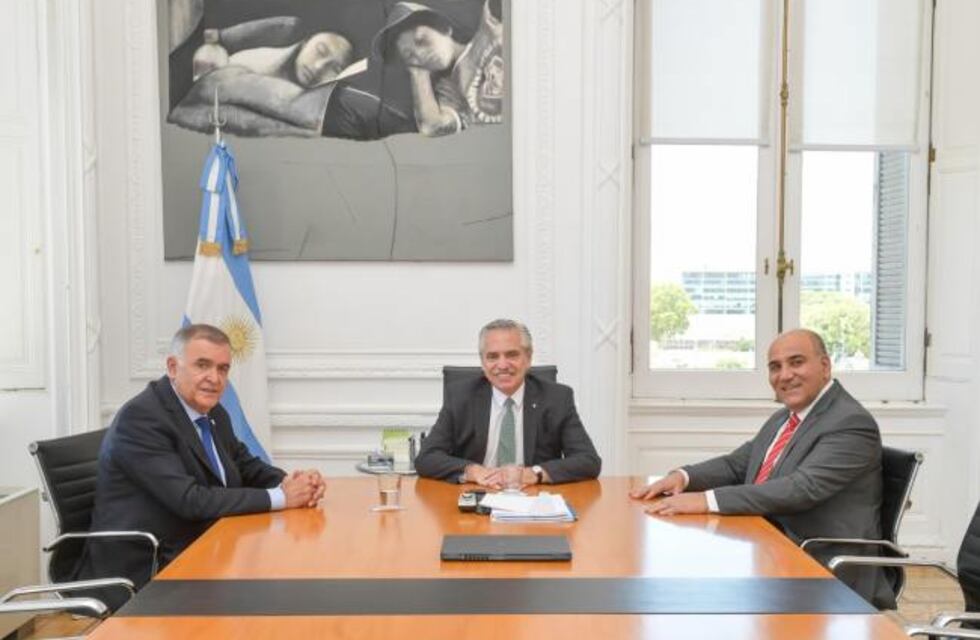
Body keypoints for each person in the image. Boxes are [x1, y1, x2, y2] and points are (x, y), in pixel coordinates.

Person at [630, 328, 892, 608]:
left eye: (796, 362)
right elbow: (737, 464)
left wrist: (705, 500)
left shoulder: (849, 422)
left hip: (823, 564)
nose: (785, 375)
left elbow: (801, 489)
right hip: (773, 546)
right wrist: (682, 477)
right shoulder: (787, 418)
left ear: (825, 366)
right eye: (775, 367)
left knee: (690, 585)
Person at [78, 324, 325, 608]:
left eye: (223, 369)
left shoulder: (212, 411)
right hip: (149, 565)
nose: (214, 378)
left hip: (203, 546)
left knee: (287, 583)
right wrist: (283, 497)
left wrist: (294, 482)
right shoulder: (142, 420)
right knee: (271, 596)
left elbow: (245, 465)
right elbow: (190, 500)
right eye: (203, 365)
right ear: (172, 367)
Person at [415, 319, 601, 487]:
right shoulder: (460, 396)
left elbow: (588, 460)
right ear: (482, 362)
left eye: (512, 355)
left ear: (528, 358)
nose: (502, 365)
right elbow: (426, 458)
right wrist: (471, 471)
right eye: (493, 357)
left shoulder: (557, 398)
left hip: (533, 499)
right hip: (478, 496)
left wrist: (534, 474)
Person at [372, 0, 504, 137]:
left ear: (445, 28)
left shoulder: (488, 27)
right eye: (409, 56)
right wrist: (418, 73)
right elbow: (432, 127)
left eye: (421, 40)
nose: (420, 54)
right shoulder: (449, 90)